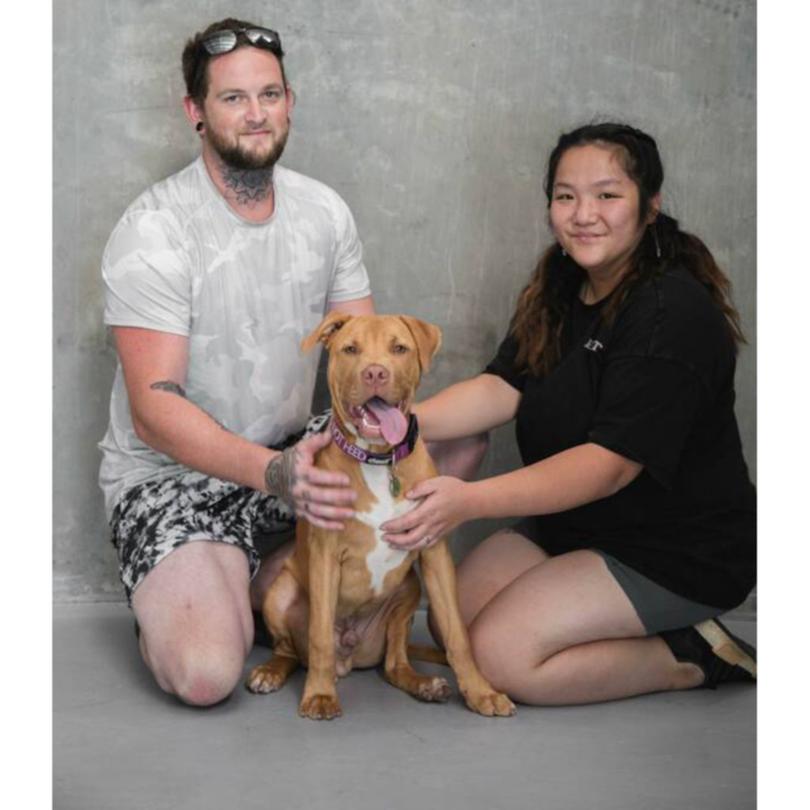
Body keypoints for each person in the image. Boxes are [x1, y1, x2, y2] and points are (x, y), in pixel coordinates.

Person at [381, 122, 757, 705]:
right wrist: (398, 424)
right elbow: (502, 388)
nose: (584, 214)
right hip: (580, 528)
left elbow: (609, 467)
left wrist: (468, 500)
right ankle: (603, 614)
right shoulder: (562, 283)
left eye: (608, 195)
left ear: (650, 206)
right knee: (450, 618)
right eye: (565, 196)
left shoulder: (670, 312)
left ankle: (690, 654)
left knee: (499, 658)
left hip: (675, 549)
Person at [98, 18, 375, 707]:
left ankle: (259, 573)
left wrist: (343, 445)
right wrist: (275, 475)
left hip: (290, 458)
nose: (256, 114)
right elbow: (155, 413)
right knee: (204, 674)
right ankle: (211, 581)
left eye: (270, 94)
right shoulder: (156, 228)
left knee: (362, 648)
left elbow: (361, 359)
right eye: (232, 98)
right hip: (177, 475)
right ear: (195, 111)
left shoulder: (326, 212)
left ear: (289, 100)